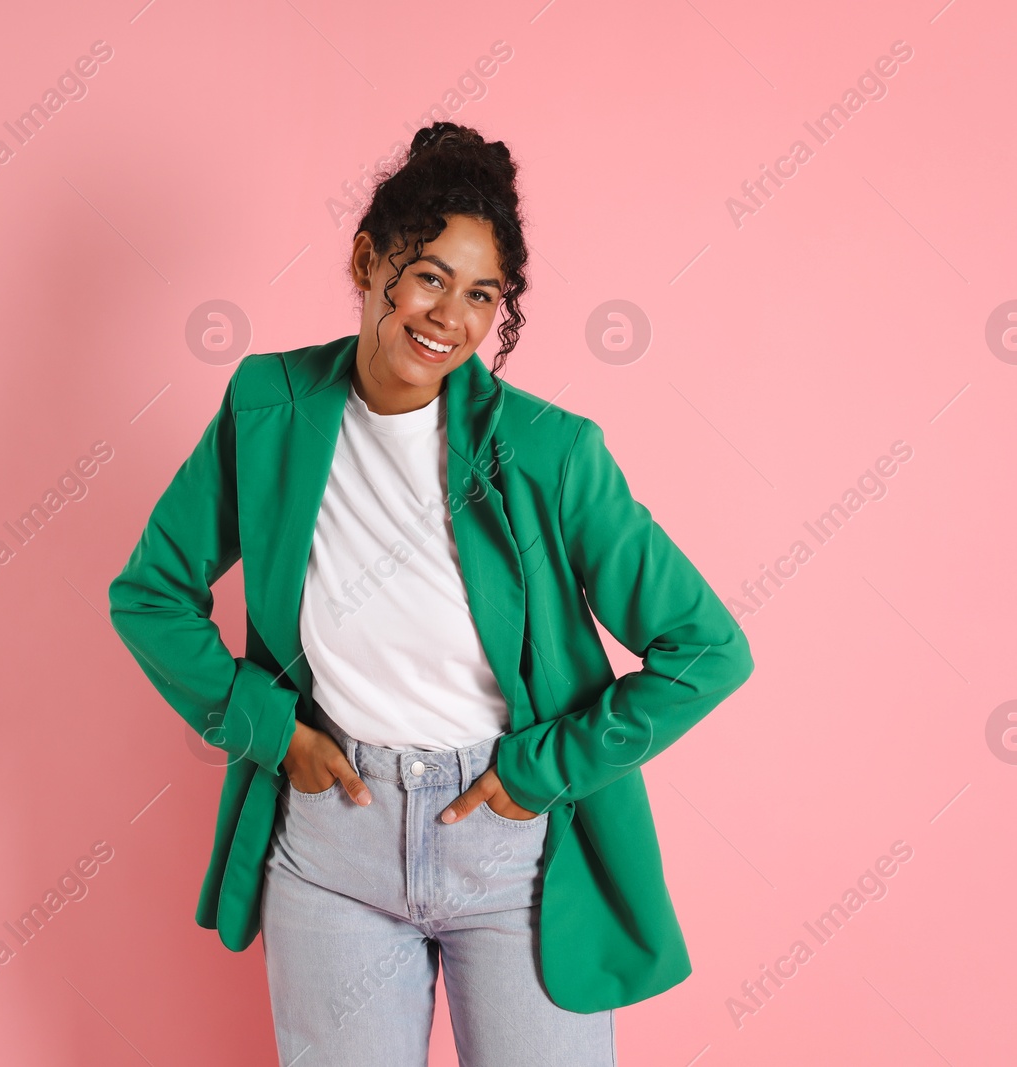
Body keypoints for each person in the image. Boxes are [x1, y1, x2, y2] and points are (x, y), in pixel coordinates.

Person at [108, 121, 754, 1067]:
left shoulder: (550, 452)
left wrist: (545, 768)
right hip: (336, 843)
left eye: (481, 293)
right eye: (429, 275)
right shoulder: (269, 407)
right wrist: (270, 730)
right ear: (369, 262)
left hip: (510, 846)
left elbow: (707, 648)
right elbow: (150, 592)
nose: (449, 315)